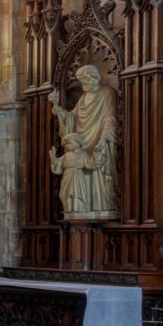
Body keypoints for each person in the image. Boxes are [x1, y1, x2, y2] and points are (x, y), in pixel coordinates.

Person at [50, 62, 117, 219]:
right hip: (81, 143)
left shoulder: (107, 93)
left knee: (99, 173)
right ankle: (80, 206)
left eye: (86, 81)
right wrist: (60, 112)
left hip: (99, 141)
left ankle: (101, 207)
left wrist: (103, 139)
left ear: (95, 78)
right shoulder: (83, 97)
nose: (84, 85)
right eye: (81, 82)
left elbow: (110, 119)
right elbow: (72, 117)